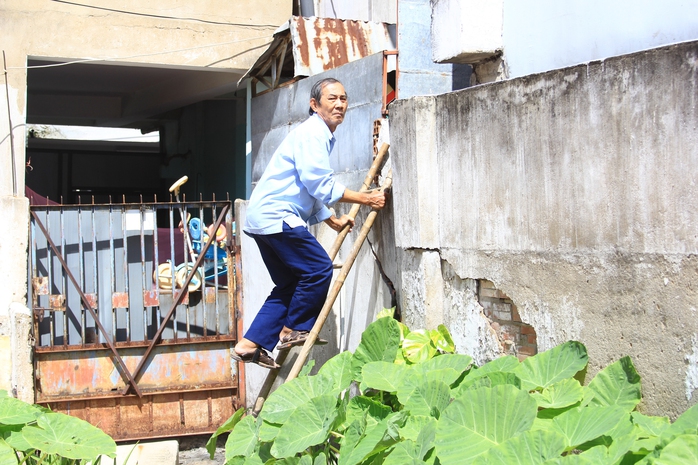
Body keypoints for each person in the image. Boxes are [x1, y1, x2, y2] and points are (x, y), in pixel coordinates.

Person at [233, 78, 387, 369]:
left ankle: (248, 344)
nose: (340, 104)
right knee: (317, 268)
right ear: (314, 105)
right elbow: (319, 183)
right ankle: (293, 330)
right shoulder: (312, 134)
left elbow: (308, 186)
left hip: (263, 218)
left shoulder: (316, 135)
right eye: (332, 99)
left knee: (290, 283)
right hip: (277, 216)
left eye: (343, 98)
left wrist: (331, 220)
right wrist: (366, 199)